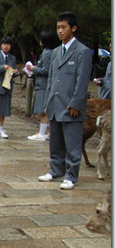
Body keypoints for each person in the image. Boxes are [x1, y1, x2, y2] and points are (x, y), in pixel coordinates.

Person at [38, 11, 92, 190]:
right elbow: (51, 79)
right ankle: (56, 169)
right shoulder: (55, 52)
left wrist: (77, 102)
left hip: (71, 106)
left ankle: (71, 175)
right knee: (56, 142)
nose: (60, 31)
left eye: (64, 27)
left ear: (73, 28)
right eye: (58, 28)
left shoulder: (82, 52)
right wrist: (47, 101)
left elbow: (82, 80)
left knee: (72, 143)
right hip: (55, 103)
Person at [25, 30, 60, 140]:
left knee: (44, 110)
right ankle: (49, 133)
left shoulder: (47, 54)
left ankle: (42, 133)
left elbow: (46, 70)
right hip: (44, 85)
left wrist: (33, 69)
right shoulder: (52, 52)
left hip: (44, 85)